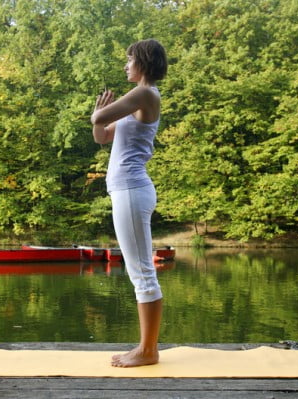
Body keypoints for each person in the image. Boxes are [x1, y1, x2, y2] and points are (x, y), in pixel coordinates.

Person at [90, 39, 168, 367]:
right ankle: (146, 348)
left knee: (142, 272)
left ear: (144, 63)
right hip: (126, 191)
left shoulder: (144, 94)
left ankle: (147, 350)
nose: (125, 65)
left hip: (132, 190)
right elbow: (101, 134)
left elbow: (99, 116)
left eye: (129, 59)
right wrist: (98, 116)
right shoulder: (137, 99)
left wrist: (97, 112)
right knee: (139, 271)